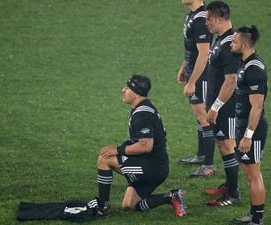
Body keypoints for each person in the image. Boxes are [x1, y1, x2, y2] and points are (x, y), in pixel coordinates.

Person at [96, 74, 187, 217]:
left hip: (151, 167)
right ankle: (171, 197)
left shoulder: (142, 114)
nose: (123, 90)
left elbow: (145, 146)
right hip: (155, 165)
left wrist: (118, 150)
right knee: (129, 205)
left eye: (127, 88)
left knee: (104, 159)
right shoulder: (144, 108)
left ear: (136, 92)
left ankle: (102, 207)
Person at [195, 1, 241, 207]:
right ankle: (229, 187)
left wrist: (215, 107)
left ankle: (233, 194)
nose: (206, 22)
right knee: (222, 145)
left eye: (209, 19)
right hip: (219, 104)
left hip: (228, 106)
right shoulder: (222, 40)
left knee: (228, 145)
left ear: (221, 18)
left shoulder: (231, 43)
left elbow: (231, 80)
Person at [230, 26, 269, 225]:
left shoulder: (254, 68)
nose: (231, 44)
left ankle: (257, 219)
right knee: (249, 175)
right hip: (244, 126)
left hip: (251, 129)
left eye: (234, 42)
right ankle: (254, 216)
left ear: (245, 45)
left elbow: (257, 107)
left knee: (254, 176)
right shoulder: (245, 63)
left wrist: (248, 135)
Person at [178, 0, 214, 167]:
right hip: (194, 71)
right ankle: (201, 155)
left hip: (202, 75)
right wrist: (185, 66)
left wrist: (192, 81)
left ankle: (208, 165)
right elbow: (192, 48)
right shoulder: (192, 15)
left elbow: (204, 53)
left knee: (204, 117)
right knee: (199, 116)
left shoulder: (200, 18)